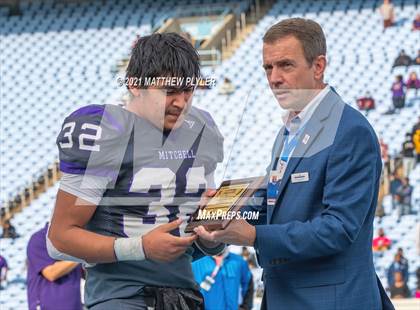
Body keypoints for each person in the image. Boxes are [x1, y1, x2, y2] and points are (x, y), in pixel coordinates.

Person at [195, 18, 394, 309]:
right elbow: (275, 203)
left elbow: (338, 228)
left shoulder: (349, 129)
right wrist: (222, 213)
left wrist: (253, 235)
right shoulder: (289, 131)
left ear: (318, 66)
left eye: (285, 65)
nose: (274, 78)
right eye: (268, 67)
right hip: (286, 297)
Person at [47, 33, 225, 309]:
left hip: (184, 297)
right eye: (169, 91)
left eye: (187, 90)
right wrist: (139, 247)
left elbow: (186, 246)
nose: (181, 102)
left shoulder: (201, 128)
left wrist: (213, 237)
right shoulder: (106, 129)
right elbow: (59, 239)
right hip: (121, 297)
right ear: (134, 84)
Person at [27, 223, 83, 310]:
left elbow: (85, 274)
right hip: (47, 306)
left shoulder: (75, 240)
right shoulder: (39, 238)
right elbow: (51, 273)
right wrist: (82, 255)